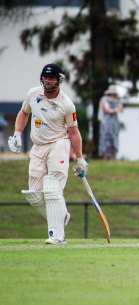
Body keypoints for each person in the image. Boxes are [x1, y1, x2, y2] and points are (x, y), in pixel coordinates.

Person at [7, 63, 88, 244]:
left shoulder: (67, 104)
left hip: (58, 144)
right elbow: (23, 113)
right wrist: (17, 134)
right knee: (34, 194)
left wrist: (80, 159)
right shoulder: (33, 94)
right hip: (38, 147)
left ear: (59, 81)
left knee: (52, 187)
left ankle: (57, 236)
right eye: (46, 78)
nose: (48, 81)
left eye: (52, 78)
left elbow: (74, 133)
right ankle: (61, 215)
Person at [99, 84, 123, 160]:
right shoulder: (104, 99)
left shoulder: (117, 100)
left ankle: (113, 157)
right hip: (106, 123)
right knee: (105, 139)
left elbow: (121, 108)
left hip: (114, 123)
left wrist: (116, 109)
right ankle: (105, 157)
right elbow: (107, 110)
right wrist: (116, 110)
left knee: (114, 139)